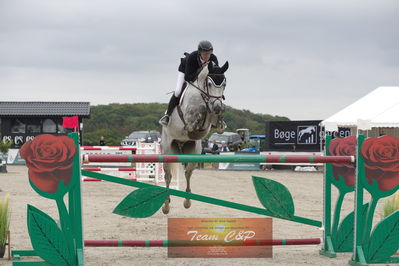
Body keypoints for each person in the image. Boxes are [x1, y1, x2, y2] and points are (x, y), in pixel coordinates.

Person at [159, 40, 219, 126]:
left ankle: (215, 118)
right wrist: (200, 73)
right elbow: (188, 77)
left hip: (203, 77)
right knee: (178, 91)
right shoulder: (192, 57)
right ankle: (167, 115)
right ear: (200, 53)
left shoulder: (214, 59)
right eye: (205, 54)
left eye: (209, 54)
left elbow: (214, 75)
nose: (207, 56)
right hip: (186, 72)